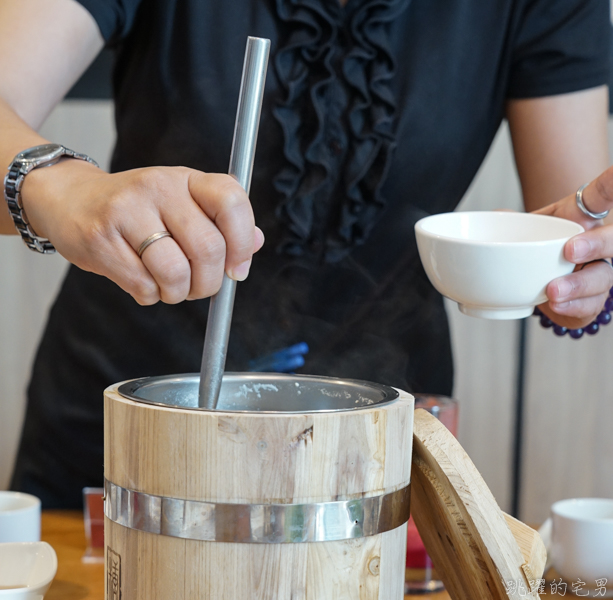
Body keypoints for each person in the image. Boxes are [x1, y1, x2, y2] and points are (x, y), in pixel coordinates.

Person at [1, 0, 612, 508]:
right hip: (133, 432)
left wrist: (576, 270)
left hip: (374, 450)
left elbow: (574, 234)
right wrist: (69, 191)